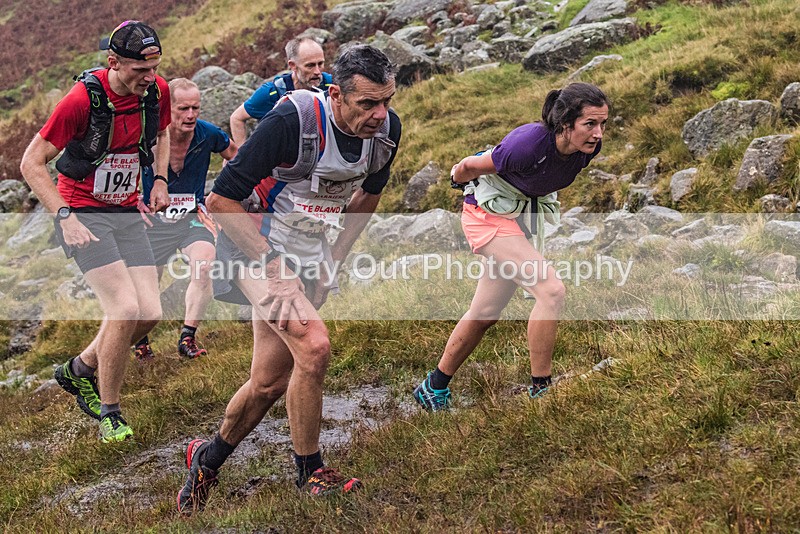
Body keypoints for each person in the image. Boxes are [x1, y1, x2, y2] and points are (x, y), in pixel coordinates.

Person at [176, 44, 401, 514]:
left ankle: (207, 459)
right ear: (335, 93)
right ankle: (309, 472)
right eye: (367, 104)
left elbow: (367, 197)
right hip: (250, 244)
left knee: (268, 382)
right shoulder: (292, 120)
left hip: (308, 252)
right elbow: (222, 201)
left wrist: (333, 259)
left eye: (386, 101)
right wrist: (276, 270)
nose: (380, 114)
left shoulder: (386, 132)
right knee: (315, 346)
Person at [412, 82, 610, 412]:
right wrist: (456, 176)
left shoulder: (587, 149)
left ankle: (433, 387)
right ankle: (542, 391)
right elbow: (472, 166)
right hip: (486, 214)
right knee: (551, 290)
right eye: (590, 123)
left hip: (516, 219)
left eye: (603, 124)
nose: (598, 133)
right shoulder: (528, 144)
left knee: (485, 313)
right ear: (565, 124)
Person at [19, 20, 171, 442]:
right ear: (113, 62)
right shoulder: (80, 101)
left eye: (155, 67)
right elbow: (31, 163)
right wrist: (64, 217)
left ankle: (79, 369)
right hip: (84, 213)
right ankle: (110, 411)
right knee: (123, 308)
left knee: (150, 313)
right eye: (140, 70)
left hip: (126, 211)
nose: (149, 77)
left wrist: (159, 180)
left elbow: (161, 132)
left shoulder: (157, 92)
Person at [133, 78, 238, 361]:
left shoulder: (207, 134)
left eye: (196, 108)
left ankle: (187, 337)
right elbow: (121, 162)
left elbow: (238, 159)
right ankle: (140, 343)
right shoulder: (149, 136)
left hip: (191, 217)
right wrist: (132, 200)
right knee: (147, 282)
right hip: (152, 220)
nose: (190, 115)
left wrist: (218, 196)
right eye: (183, 109)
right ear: (168, 109)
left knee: (205, 264)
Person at [229, 36, 333, 147]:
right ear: (293, 66)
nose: (317, 71)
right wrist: (241, 156)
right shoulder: (271, 93)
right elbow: (236, 118)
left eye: (320, 64)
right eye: (310, 66)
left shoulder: (331, 84)